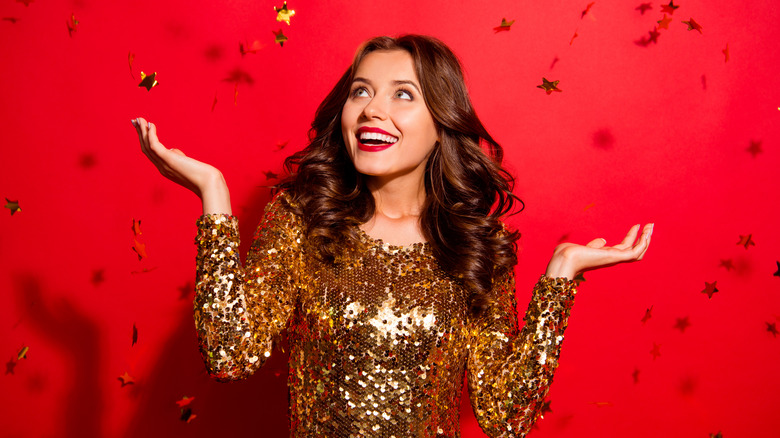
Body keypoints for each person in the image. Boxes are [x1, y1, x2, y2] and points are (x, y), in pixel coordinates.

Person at [133, 35, 652, 438]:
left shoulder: (472, 244)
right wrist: (214, 194)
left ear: (442, 122)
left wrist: (562, 276)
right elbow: (229, 356)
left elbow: (505, 415)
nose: (372, 109)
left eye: (403, 94)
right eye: (361, 91)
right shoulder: (303, 218)